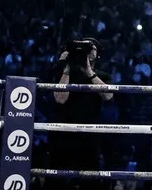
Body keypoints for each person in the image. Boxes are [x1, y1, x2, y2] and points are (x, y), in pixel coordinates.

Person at [51, 38, 114, 189]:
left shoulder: (103, 76)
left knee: (90, 179)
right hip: (64, 132)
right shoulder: (63, 73)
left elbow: (108, 96)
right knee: (58, 178)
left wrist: (89, 73)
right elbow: (60, 99)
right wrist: (66, 68)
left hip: (90, 134)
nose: (88, 51)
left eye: (91, 48)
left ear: (97, 55)